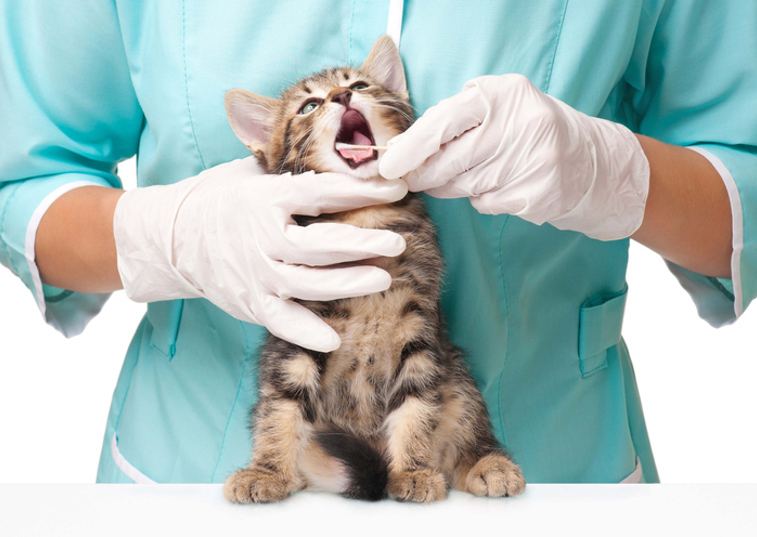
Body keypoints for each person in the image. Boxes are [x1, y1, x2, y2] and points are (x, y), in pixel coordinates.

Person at [1, 0, 754, 485]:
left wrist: (613, 173)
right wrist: (159, 236)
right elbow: (22, 181)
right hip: (191, 476)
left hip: (551, 474)